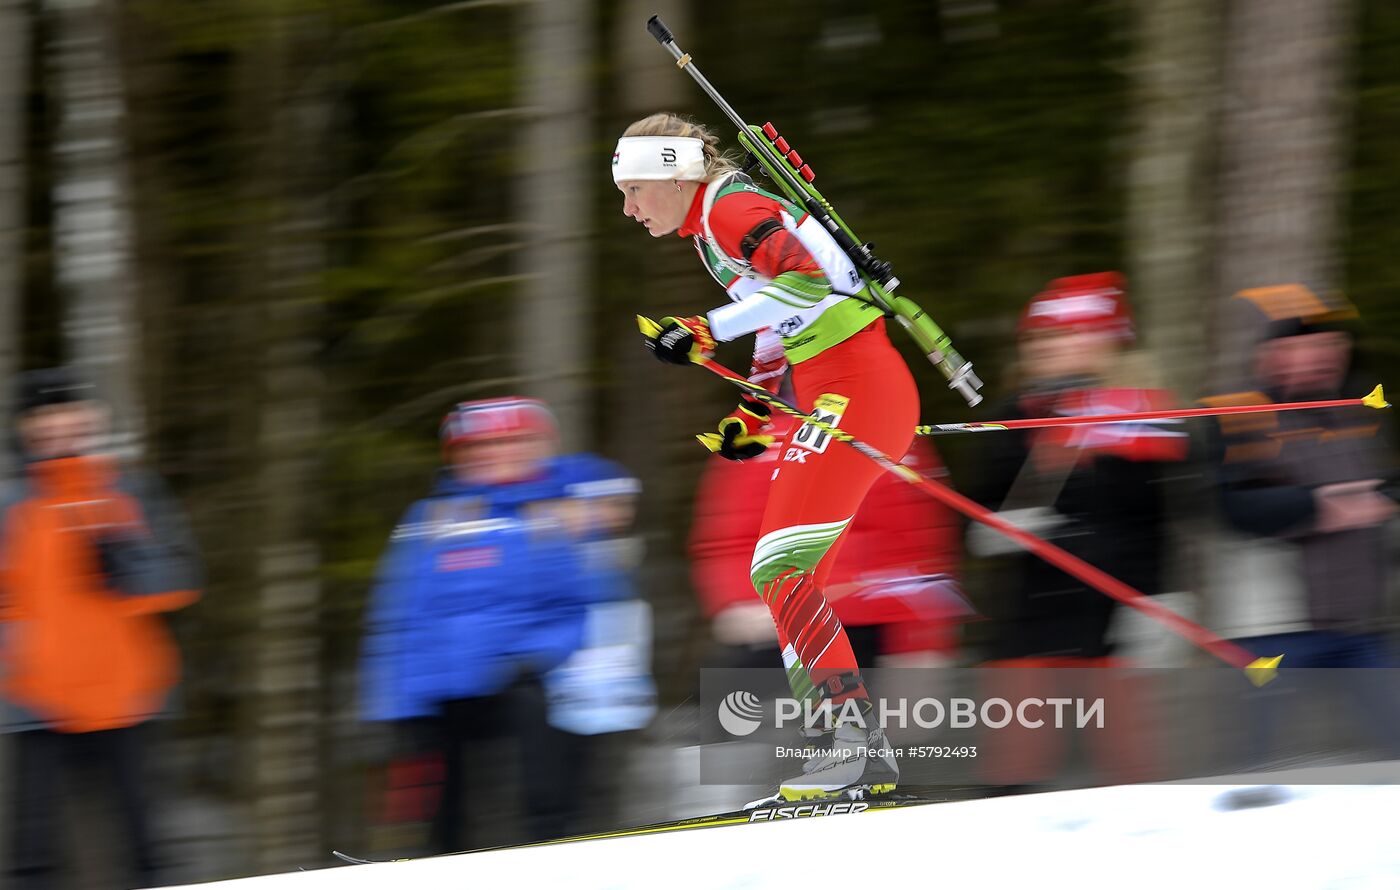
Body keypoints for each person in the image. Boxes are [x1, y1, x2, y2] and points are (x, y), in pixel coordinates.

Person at [615, 112, 920, 803]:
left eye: (635, 189)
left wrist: (703, 328)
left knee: (778, 567)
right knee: (789, 580)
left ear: (673, 175)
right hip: (835, 389)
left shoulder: (731, 209)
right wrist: (754, 411)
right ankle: (842, 753)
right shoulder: (710, 228)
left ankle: (853, 752)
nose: (629, 209)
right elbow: (778, 319)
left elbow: (806, 283)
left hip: (857, 388)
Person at [962, 274, 1187, 787]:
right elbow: (977, 509)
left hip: (1108, 620)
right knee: (1012, 772)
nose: (1045, 350)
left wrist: (1159, 597)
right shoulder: (1010, 418)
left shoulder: (1137, 419)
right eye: (1037, 340)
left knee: (1130, 769)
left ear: (1100, 342)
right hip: (1028, 622)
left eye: (1060, 338)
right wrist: (996, 527)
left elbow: (1154, 517)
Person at [359, 397, 594, 853]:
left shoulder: (547, 520)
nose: (496, 457)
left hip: (513, 680)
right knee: (440, 800)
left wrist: (537, 655)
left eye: (511, 445)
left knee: (542, 749)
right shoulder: (429, 519)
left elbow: (571, 605)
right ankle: (438, 861)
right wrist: (394, 701)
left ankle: (551, 847)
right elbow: (395, 613)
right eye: (481, 448)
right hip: (437, 692)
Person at [0, 368, 202, 889]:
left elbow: (182, 574)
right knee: (32, 858)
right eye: (43, 419)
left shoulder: (128, 489)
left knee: (148, 850)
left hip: (126, 690)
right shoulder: (11, 505)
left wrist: (130, 570)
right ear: (26, 428)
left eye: (68, 414)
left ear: (90, 420)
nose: (58, 428)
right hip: (35, 700)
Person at [1204, 285, 1400, 762]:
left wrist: (1383, 498)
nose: (1320, 357)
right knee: (1257, 761)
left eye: (1331, 345)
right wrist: (1316, 507)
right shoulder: (1235, 414)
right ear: (1269, 355)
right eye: (1300, 347)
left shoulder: (1363, 409)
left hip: (1359, 624)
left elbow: (1390, 484)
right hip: (1275, 629)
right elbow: (1230, 507)